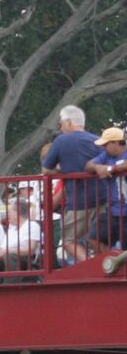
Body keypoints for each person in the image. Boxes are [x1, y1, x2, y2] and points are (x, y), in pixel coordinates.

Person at [42, 104, 108, 266]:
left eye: (61, 123)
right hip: (104, 197)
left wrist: (63, 173)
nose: (61, 127)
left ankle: (93, 265)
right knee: (98, 238)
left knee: (68, 241)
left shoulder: (61, 140)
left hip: (79, 201)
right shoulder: (96, 140)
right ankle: (108, 266)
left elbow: (46, 169)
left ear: (69, 122)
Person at [88, 126, 127, 271]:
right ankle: (112, 266)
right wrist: (98, 168)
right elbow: (88, 165)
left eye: (106, 144)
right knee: (94, 237)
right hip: (114, 211)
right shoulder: (106, 156)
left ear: (115, 143)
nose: (104, 147)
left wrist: (111, 169)